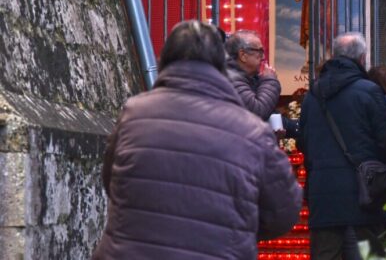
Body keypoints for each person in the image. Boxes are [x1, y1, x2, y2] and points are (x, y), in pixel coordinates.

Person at [93, 20, 302, 259]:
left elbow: (111, 181)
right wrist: (240, 229)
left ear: (165, 59)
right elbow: (283, 211)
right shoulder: (251, 130)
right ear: (223, 64)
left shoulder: (133, 114)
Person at [298, 32, 386, 259]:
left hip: (323, 191)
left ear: (334, 55)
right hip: (364, 192)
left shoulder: (313, 95)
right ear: (362, 58)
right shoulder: (369, 91)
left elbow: (304, 141)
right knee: (367, 253)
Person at [224, 29, 280, 120]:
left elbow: (271, 114)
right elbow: (258, 112)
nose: (263, 57)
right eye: (260, 51)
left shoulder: (251, 78)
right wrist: (269, 80)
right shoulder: (231, 80)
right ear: (243, 55)